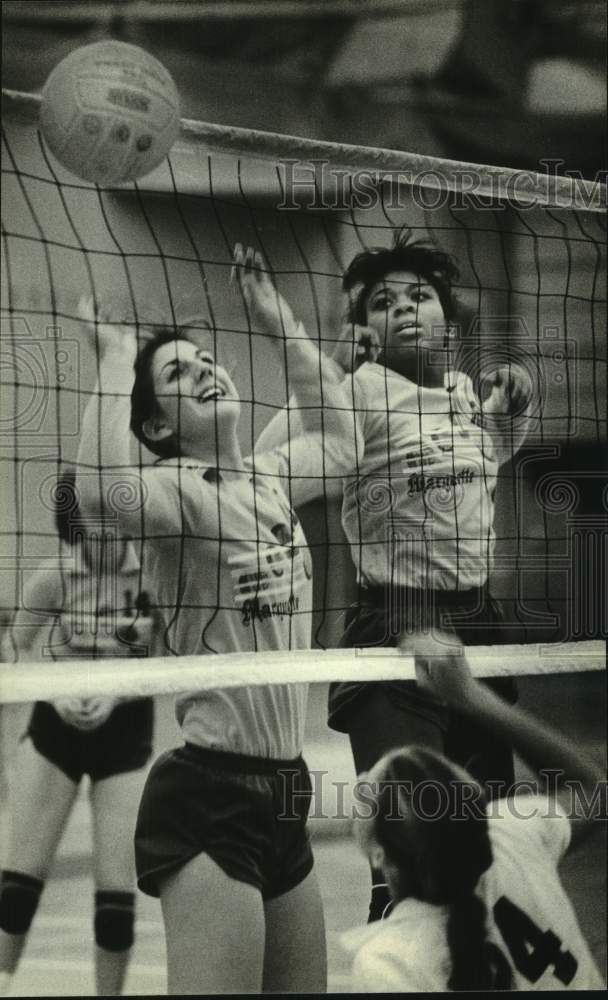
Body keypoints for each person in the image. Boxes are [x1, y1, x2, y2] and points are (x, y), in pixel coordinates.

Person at [73, 245, 362, 995]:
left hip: (286, 786)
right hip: (211, 794)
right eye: (178, 372)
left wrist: (275, 319)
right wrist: (116, 360)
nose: (204, 369)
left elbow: (343, 440)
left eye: (206, 358)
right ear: (160, 428)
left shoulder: (270, 477)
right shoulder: (175, 492)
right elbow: (100, 493)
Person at [257, 228, 535, 920]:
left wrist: (514, 413)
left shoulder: (468, 393)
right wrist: (324, 380)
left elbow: (484, 465)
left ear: (449, 317)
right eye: (383, 302)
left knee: (481, 851)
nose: (405, 308)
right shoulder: (359, 391)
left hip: (480, 633)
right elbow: (260, 465)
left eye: (420, 296)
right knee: (409, 851)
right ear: (368, 332)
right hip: (396, 631)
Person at [342, 630, 606, 992]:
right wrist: (473, 696)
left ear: (378, 854)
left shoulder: (387, 961)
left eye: (368, 787)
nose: (359, 782)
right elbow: (595, 790)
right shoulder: (511, 834)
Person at [0, 471, 156, 997]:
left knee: (115, 907)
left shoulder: (154, 573)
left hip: (127, 736)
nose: (108, 528)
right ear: (75, 522)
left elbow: (179, 656)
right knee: (15, 895)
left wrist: (114, 692)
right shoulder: (55, 576)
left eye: (116, 513)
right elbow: (15, 648)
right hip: (54, 733)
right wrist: (58, 691)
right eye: (95, 516)